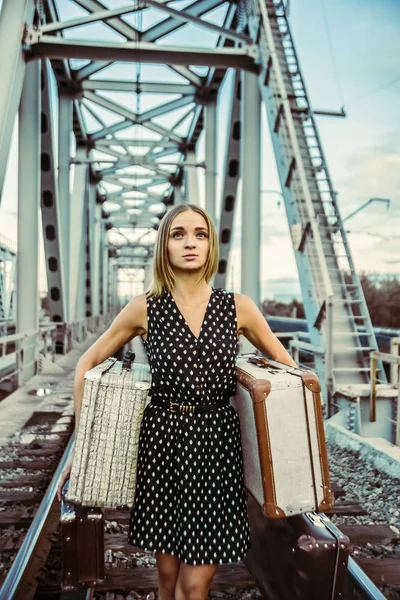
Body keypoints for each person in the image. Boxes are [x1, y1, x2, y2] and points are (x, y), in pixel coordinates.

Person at [57, 203, 296, 600]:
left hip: (217, 446)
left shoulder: (239, 307)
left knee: (194, 586)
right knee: (166, 582)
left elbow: (290, 373)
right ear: (163, 246)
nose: (190, 243)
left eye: (200, 234)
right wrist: (81, 448)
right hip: (162, 442)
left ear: (211, 245)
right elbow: (86, 364)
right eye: (178, 234)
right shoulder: (145, 308)